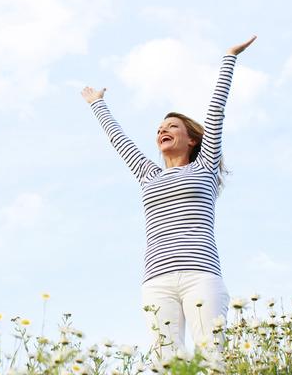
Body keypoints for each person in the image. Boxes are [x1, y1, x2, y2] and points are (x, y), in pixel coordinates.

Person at [81, 36, 257, 358]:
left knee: (211, 355)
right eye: (160, 127)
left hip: (200, 273)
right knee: (167, 360)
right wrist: (97, 103)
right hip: (156, 278)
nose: (163, 129)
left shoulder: (205, 167)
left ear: (190, 139)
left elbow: (216, 112)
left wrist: (229, 57)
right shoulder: (149, 174)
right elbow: (119, 140)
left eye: (172, 126)